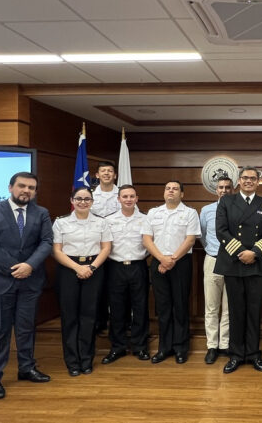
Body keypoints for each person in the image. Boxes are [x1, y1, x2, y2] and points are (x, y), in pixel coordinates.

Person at [0, 172, 53, 399]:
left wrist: (30, 265)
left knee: (26, 327)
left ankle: (26, 368)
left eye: (31, 187)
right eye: (22, 186)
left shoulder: (42, 213)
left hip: (30, 280)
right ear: (10, 187)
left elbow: (47, 241)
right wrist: (16, 267)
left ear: (35, 191)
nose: (26, 190)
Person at [215, 166, 262, 374]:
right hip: (233, 263)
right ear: (239, 181)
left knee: (254, 311)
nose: (249, 181)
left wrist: (255, 253)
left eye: (253, 178)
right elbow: (221, 231)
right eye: (245, 178)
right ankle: (236, 355)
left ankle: (253, 354)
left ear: (258, 182)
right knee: (236, 311)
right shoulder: (226, 201)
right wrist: (242, 252)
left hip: (256, 265)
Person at [52, 186, 112, 376]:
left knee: (89, 316)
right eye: (79, 199)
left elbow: (106, 248)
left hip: (94, 268)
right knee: (70, 317)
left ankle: (86, 359)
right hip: (68, 269)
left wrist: (91, 267)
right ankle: (72, 362)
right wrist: (77, 268)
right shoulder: (61, 223)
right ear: (72, 201)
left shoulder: (101, 223)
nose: (83, 202)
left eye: (87, 199)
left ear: (92, 202)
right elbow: (57, 250)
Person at [141, 180, 201, 364]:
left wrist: (171, 260)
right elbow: (146, 240)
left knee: (180, 306)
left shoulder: (190, 213)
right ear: (164, 192)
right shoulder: (153, 213)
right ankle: (164, 348)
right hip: (158, 262)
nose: (171, 191)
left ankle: (181, 348)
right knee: (163, 307)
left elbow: (190, 240)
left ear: (182, 194)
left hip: (181, 263)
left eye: (175, 189)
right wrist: (162, 259)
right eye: (168, 188)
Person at [101, 184, 150, 364]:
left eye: (132, 196)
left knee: (140, 308)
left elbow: (150, 244)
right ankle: (117, 347)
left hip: (138, 266)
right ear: (118, 199)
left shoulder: (146, 219)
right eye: (125, 196)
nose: (128, 199)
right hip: (115, 267)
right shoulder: (108, 220)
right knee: (116, 309)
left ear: (137, 199)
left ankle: (140, 346)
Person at [199, 176, 233, 364]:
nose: (224, 190)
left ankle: (224, 344)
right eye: (221, 187)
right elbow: (202, 235)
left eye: (228, 187)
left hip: (232, 262)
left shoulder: (237, 209)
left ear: (232, 189)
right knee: (211, 306)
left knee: (228, 307)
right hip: (212, 259)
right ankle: (212, 345)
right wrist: (211, 250)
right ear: (216, 189)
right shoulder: (206, 210)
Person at [90, 161, 120, 335]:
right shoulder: (91, 196)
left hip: (118, 250)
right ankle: (100, 320)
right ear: (97, 175)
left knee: (117, 288)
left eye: (110, 171)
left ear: (115, 175)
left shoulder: (122, 194)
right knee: (98, 288)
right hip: (97, 249)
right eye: (103, 171)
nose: (107, 174)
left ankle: (120, 321)